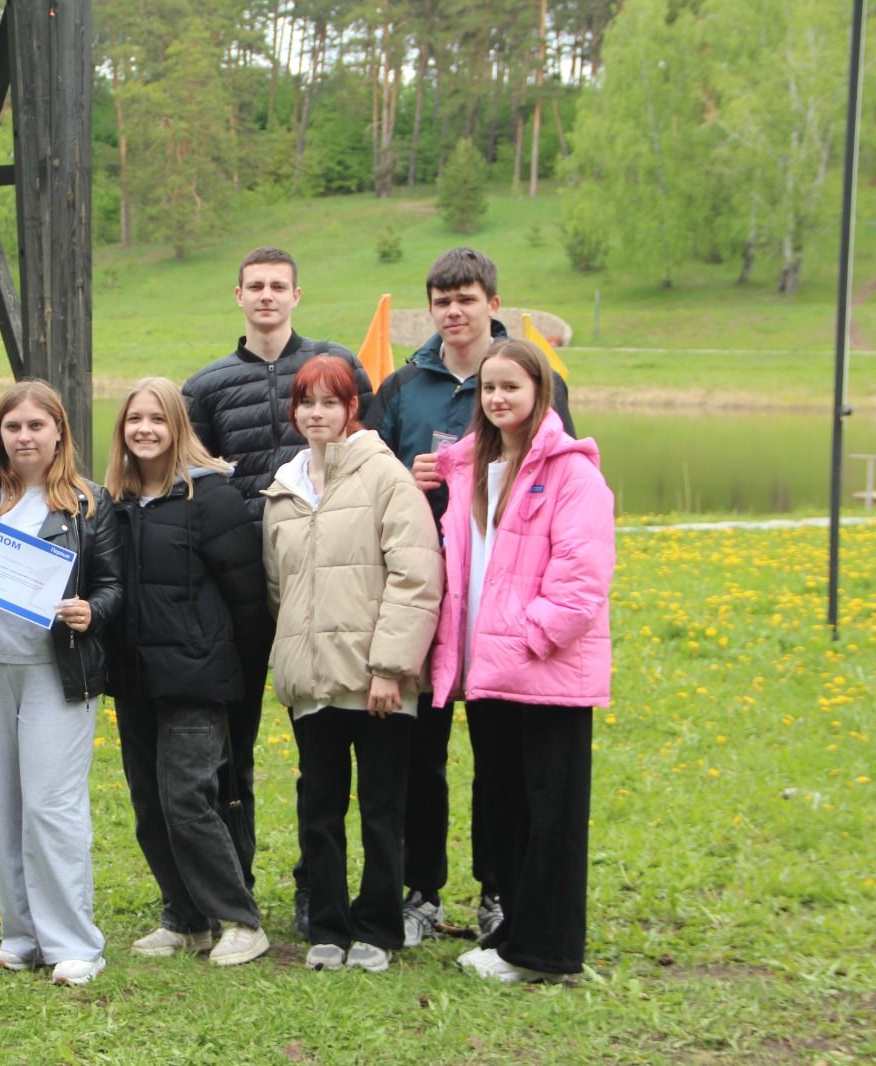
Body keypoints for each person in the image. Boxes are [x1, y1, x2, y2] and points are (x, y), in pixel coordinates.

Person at [360, 246, 574, 947]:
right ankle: (422, 889)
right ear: (431, 308)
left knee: (500, 754)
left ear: (493, 303)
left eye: (467, 299)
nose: (454, 312)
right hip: (425, 591)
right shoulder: (401, 385)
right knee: (420, 751)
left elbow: (554, 469)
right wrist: (404, 473)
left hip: (499, 595)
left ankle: (500, 890)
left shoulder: (528, 374)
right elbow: (371, 473)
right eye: (442, 300)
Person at [181, 246, 374, 932]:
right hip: (235, 586)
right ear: (238, 296)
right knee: (230, 743)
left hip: (318, 585)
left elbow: (368, 467)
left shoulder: (334, 367)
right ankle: (231, 887)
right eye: (255, 286)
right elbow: (191, 487)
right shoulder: (204, 388)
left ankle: (313, 885)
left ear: (297, 294)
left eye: (278, 287)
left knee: (319, 741)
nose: (266, 297)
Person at [429, 338, 613, 984]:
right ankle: (512, 939)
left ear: (541, 394)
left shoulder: (573, 475)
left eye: (512, 386)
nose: (499, 397)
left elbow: (581, 584)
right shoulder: (472, 470)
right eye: (489, 388)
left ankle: (549, 954)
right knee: (505, 808)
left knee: (551, 815)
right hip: (488, 674)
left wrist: (528, 637)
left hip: (544, 673)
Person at [0, 381, 122, 987]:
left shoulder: (87, 502)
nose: (24, 437)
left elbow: (114, 586)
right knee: (3, 805)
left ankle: (74, 943)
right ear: (0, 434)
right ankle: (23, 935)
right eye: (13, 427)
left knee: (51, 805)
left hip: (56, 672)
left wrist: (91, 612)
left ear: (59, 432)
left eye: (36, 426)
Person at [262, 356, 442, 974]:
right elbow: (278, 587)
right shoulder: (284, 488)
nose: (318, 413)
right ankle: (330, 927)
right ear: (295, 411)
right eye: (307, 402)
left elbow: (417, 576)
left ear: (351, 410)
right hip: (313, 680)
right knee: (319, 809)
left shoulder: (385, 477)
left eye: (330, 402)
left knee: (382, 810)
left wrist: (390, 668)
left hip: (376, 682)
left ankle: (379, 928)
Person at [102, 377, 272, 968]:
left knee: (188, 797)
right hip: (136, 678)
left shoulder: (214, 498)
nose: (144, 429)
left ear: (179, 427)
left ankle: (241, 919)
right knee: (149, 802)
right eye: (133, 419)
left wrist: (240, 686)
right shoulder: (112, 505)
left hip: (200, 679)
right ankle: (185, 917)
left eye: (157, 418)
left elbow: (250, 601)